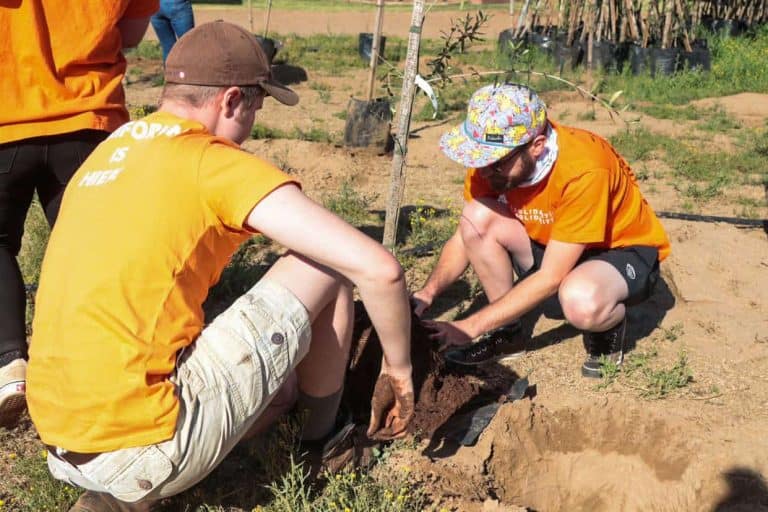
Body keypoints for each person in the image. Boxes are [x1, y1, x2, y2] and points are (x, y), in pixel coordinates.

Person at [26, 21, 414, 511]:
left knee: (283, 387)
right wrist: (399, 373)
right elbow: (381, 270)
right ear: (231, 100)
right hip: (137, 442)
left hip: (59, 436)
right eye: (256, 107)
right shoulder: (210, 162)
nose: (250, 128)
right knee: (326, 266)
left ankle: (119, 486)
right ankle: (324, 447)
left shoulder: (115, 148)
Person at [412, 83, 670, 378]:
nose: (483, 171)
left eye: (494, 163)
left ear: (536, 146)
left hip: (619, 250)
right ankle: (509, 334)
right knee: (476, 216)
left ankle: (609, 326)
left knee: (581, 300)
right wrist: (427, 294)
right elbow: (464, 236)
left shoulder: (583, 169)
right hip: (553, 241)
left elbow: (552, 277)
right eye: (479, 159)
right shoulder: (494, 161)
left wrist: (468, 327)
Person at [0, 0, 158, 428]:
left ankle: (10, 364)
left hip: (6, 121)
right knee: (92, 253)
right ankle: (99, 373)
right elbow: (131, 32)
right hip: (90, 120)